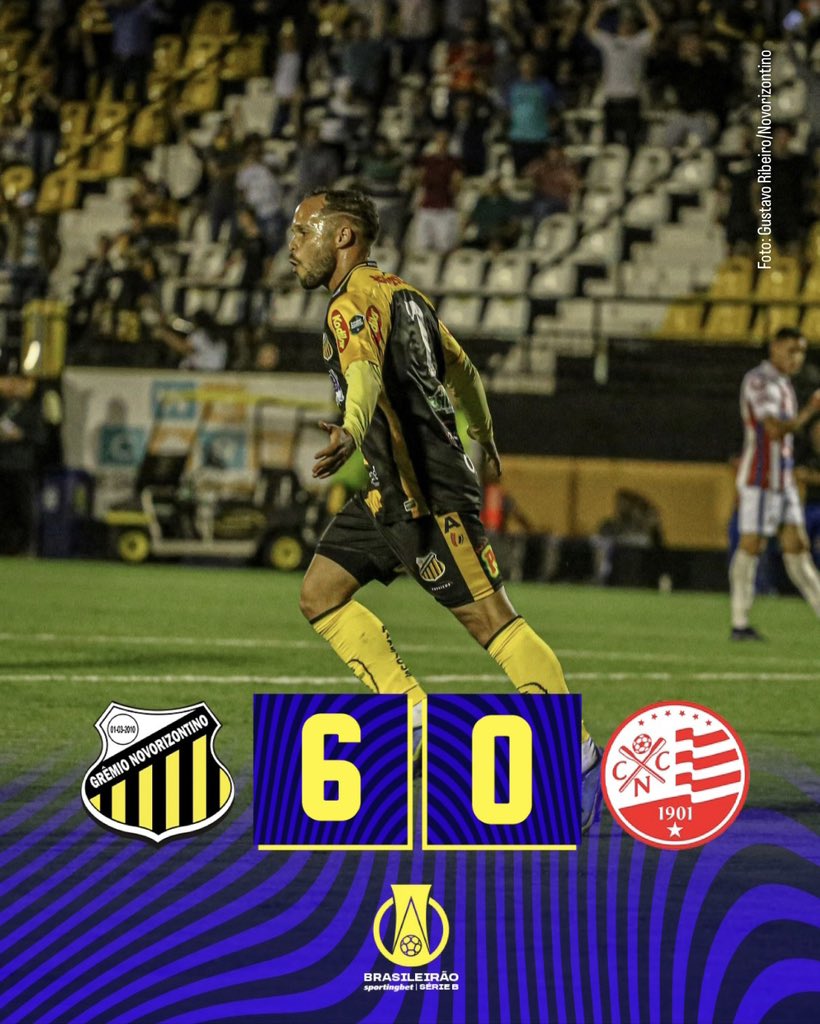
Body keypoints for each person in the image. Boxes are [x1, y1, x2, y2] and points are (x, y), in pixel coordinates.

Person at [288, 187, 603, 832]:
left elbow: (363, 375)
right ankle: (410, 718)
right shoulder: (411, 298)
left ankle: (577, 759)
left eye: (302, 231)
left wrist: (351, 427)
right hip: (389, 492)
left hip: (428, 495)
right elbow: (466, 375)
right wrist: (484, 435)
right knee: (320, 593)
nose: (292, 245)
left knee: (492, 621)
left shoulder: (350, 304)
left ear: (342, 235)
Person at [730, 327, 820, 639]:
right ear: (775, 347)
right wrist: (810, 411)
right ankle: (739, 622)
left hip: (783, 479)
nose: (797, 358)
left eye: (801, 352)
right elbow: (772, 430)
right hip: (760, 478)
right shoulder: (759, 381)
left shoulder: (782, 383)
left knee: (798, 546)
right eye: (792, 350)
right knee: (752, 545)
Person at [584, 0, 658, 150]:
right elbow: (589, 28)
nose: (625, 25)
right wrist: (597, 9)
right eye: (623, 22)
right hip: (611, 100)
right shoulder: (609, 42)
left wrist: (643, 4)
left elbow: (656, 27)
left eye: (629, 22)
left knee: (631, 144)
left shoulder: (638, 43)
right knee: (610, 145)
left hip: (631, 100)